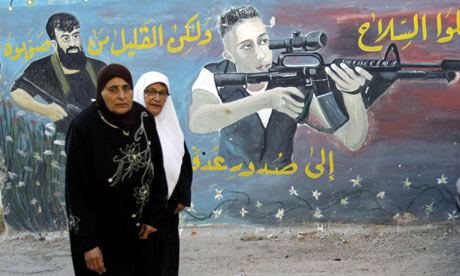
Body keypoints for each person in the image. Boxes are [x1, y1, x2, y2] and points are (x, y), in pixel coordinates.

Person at [189, 6, 373, 169]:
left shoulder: (295, 79)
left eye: (263, 41)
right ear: (229, 56)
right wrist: (266, 100)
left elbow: (352, 140)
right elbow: (198, 122)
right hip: (232, 183)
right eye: (247, 46)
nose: (261, 55)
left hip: (280, 186)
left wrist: (352, 93)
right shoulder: (213, 74)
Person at [65, 64, 167, 275]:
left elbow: (157, 170)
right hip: (102, 238)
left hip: (141, 233)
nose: (122, 96)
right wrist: (88, 244)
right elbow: (76, 192)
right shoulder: (83, 127)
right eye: (113, 90)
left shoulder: (143, 118)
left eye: (126, 88)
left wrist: (153, 217)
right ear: (101, 93)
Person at [134, 72, 193, 276]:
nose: (156, 98)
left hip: (167, 211)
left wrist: (182, 198)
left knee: (165, 263)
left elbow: (184, 163)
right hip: (137, 212)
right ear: (140, 93)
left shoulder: (172, 129)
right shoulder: (131, 128)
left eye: (162, 93)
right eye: (150, 91)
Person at [11, 12, 106, 133]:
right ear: (55, 44)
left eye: (75, 36)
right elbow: (17, 93)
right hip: (66, 139)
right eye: (66, 38)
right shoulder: (42, 68)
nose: (73, 43)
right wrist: (45, 109)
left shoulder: (99, 67)